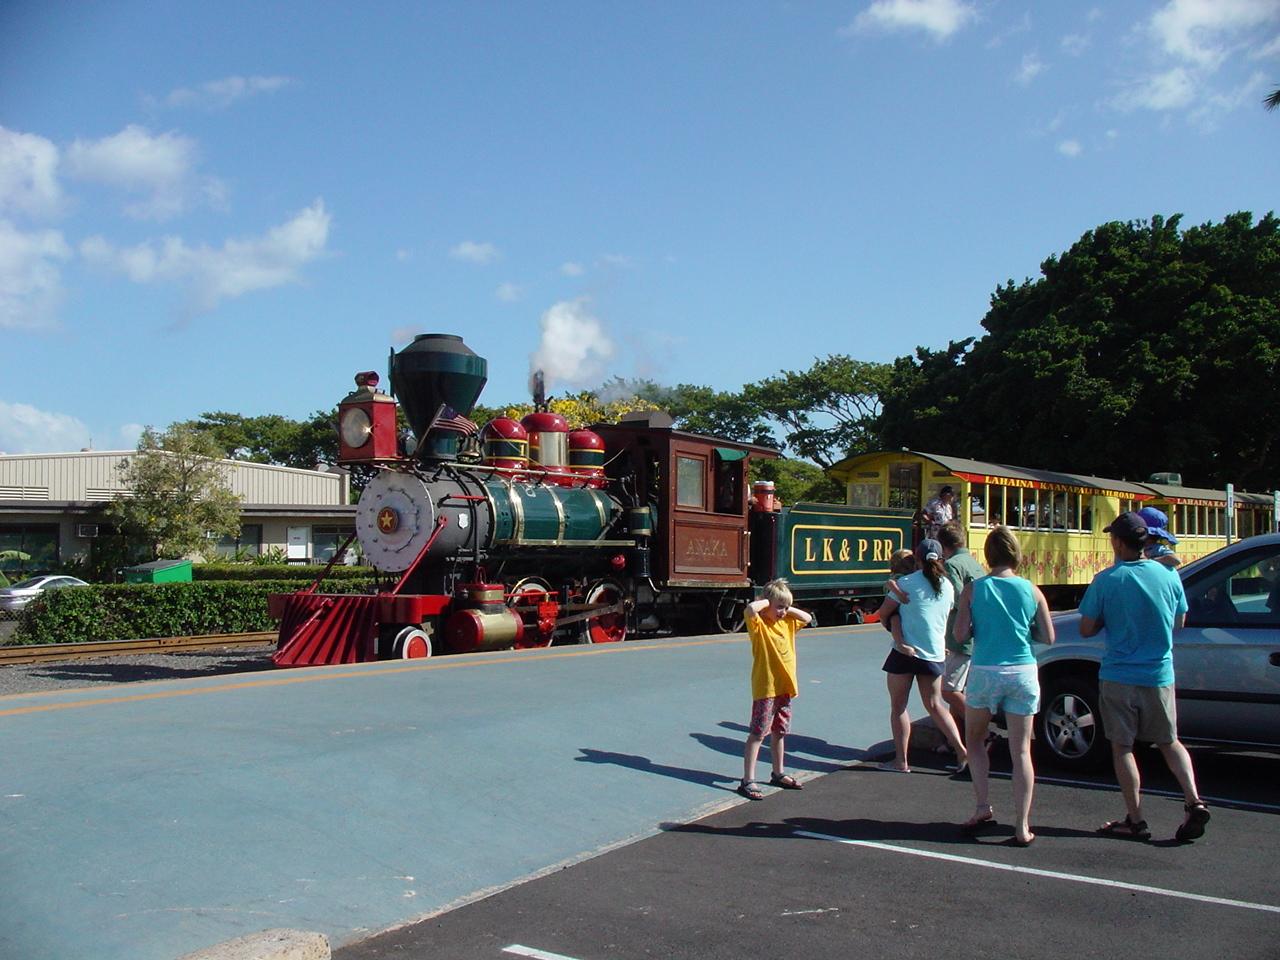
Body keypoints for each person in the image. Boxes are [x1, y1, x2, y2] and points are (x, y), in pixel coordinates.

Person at [1079, 511, 1210, 842]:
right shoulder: (1168, 575)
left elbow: (1086, 628)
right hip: (1158, 674)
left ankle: (1136, 820)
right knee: (1169, 741)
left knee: (1122, 746)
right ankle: (1194, 800)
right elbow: (1179, 622)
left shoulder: (1106, 580)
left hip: (1119, 675)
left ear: (1118, 543)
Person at [952, 526, 1054, 846]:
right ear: (1016, 554)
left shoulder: (974, 589)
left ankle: (982, 806)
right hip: (1022, 671)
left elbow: (960, 634)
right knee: (1021, 750)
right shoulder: (1032, 590)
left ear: (988, 555)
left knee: (975, 739)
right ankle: (1022, 825)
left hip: (986, 670)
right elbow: (1048, 636)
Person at [873, 539, 968, 774]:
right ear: (941, 559)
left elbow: (884, 613)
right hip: (934, 653)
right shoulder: (947, 586)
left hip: (904, 652)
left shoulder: (905, 583)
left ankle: (901, 761)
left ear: (917, 559)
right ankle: (961, 750)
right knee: (935, 705)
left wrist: (892, 626)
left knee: (899, 707)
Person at [738, 579, 813, 800]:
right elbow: (750, 609)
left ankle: (778, 773)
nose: (783, 612)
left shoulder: (787, 623)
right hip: (766, 688)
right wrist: (765, 602)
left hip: (785, 688)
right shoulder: (759, 626)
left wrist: (785, 607)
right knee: (758, 733)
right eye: (779, 607)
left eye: (786, 607)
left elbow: (807, 618)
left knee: (780, 731)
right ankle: (748, 780)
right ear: (766, 604)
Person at [937, 521, 986, 742]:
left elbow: (957, 598)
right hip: (977, 633)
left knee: (948, 690)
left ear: (943, 545)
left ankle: (983, 731)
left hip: (959, 637)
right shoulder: (975, 564)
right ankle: (955, 740)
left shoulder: (951, 565)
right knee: (960, 689)